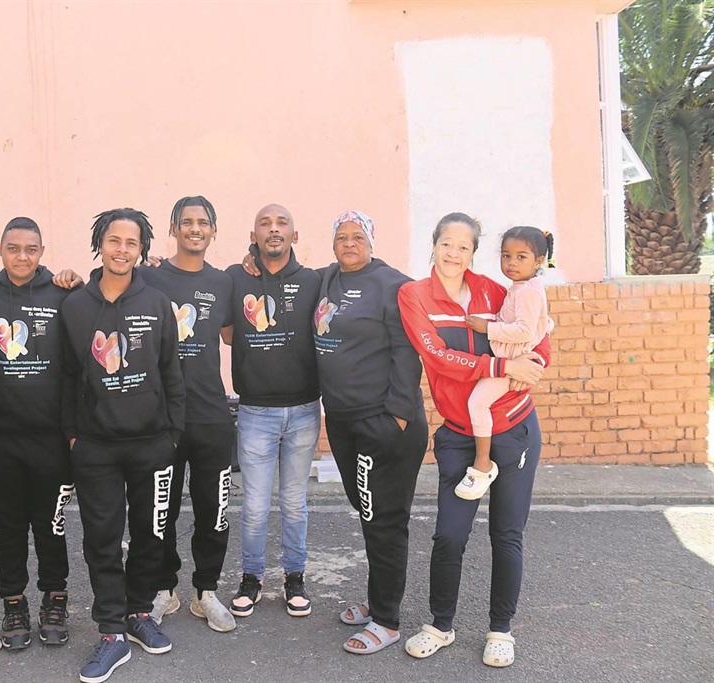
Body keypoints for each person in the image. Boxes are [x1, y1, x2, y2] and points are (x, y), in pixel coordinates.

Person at [397, 212, 550, 669]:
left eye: (463, 247)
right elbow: (438, 356)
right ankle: (440, 626)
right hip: (460, 435)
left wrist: (536, 364)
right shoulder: (414, 295)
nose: (454, 253)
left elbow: (538, 330)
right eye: (447, 243)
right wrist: (502, 367)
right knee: (449, 535)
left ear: (473, 253)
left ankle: (500, 630)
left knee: (507, 534)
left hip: (514, 428)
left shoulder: (494, 290)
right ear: (434, 244)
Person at [60, 208, 186, 683]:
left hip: (152, 443)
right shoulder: (75, 306)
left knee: (151, 533)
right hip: (95, 446)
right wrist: (73, 435)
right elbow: (67, 376)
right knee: (102, 539)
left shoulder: (157, 302)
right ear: (101, 244)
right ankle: (111, 630)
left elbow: (172, 370)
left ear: (142, 249)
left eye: (131, 243)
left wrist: (173, 433)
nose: (122, 249)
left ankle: (139, 612)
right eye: (114, 240)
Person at [311, 210, 430, 655]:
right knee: (368, 512)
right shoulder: (327, 279)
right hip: (344, 422)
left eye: (357, 236)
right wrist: (251, 257)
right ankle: (379, 600)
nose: (349, 243)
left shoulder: (393, 285)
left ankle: (387, 621)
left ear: (372, 241)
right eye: (341, 236)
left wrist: (395, 418)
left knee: (385, 520)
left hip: (384, 423)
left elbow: (408, 352)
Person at [0, 217, 75, 649]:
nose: (22, 257)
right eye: (13, 248)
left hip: (51, 438)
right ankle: (13, 603)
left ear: (42, 252)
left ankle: (55, 598)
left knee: (51, 525)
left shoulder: (63, 293)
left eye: (31, 249)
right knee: (8, 526)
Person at [138, 196, 237, 633]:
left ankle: (206, 592)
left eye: (203, 222)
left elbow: (230, 334)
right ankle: (164, 589)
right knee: (160, 509)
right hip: (161, 416)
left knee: (214, 509)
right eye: (187, 222)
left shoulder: (224, 282)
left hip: (211, 413)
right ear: (173, 229)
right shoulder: (149, 276)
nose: (195, 228)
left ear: (213, 230)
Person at [224, 204, 321, 619]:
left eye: (282, 223)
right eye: (265, 224)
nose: (274, 229)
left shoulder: (315, 281)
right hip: (255, 412)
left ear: (294, 236)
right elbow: (227, 334)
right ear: (254, 236)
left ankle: (295, 577)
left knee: (295, 503)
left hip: (304, 410)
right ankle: (252, 578)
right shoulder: (234, 277)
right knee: (255, 505)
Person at [458, 226, 554, 500]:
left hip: (512, 361)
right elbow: (543, 322)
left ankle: (483, 464)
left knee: (477, 403)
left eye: (521, 257)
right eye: (506, 255)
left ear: (538, 261)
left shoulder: (527, 291)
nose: (512, 263)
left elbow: (523, 331)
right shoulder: (523, 287)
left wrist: (486, 327)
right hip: (511, 357)